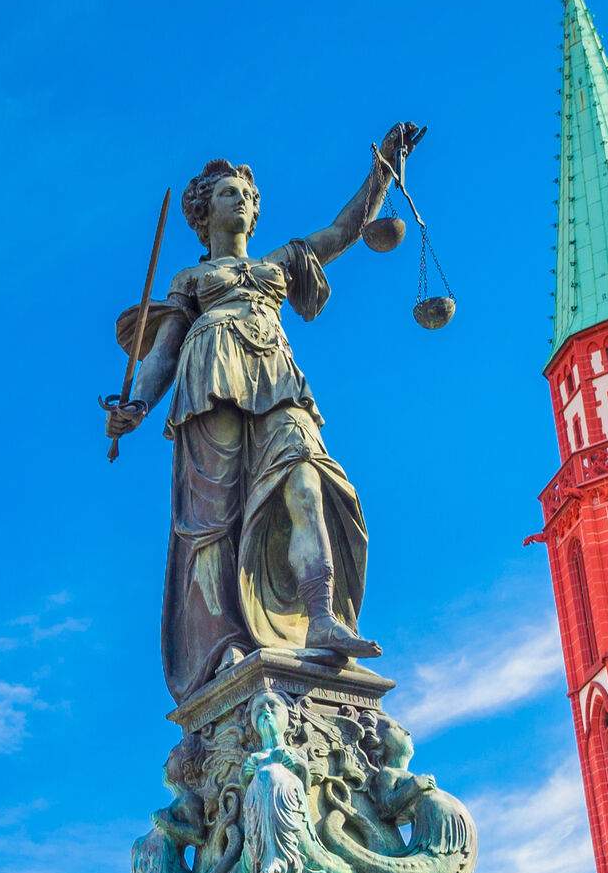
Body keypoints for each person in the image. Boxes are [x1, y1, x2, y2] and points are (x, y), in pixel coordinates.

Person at [104, 126, 419, 699]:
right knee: (214, 522)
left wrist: (383, 172)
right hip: (211, 380)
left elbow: (345, 231)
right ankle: (222, 642)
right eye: (228, 194)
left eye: (247, 195)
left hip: (276, 378)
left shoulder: (281, 262)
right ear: (202, 213)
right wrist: (137, 406)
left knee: (307, 482)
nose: (241, 201)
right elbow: (162, 355)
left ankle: (322, 615)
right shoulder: (193, 280)